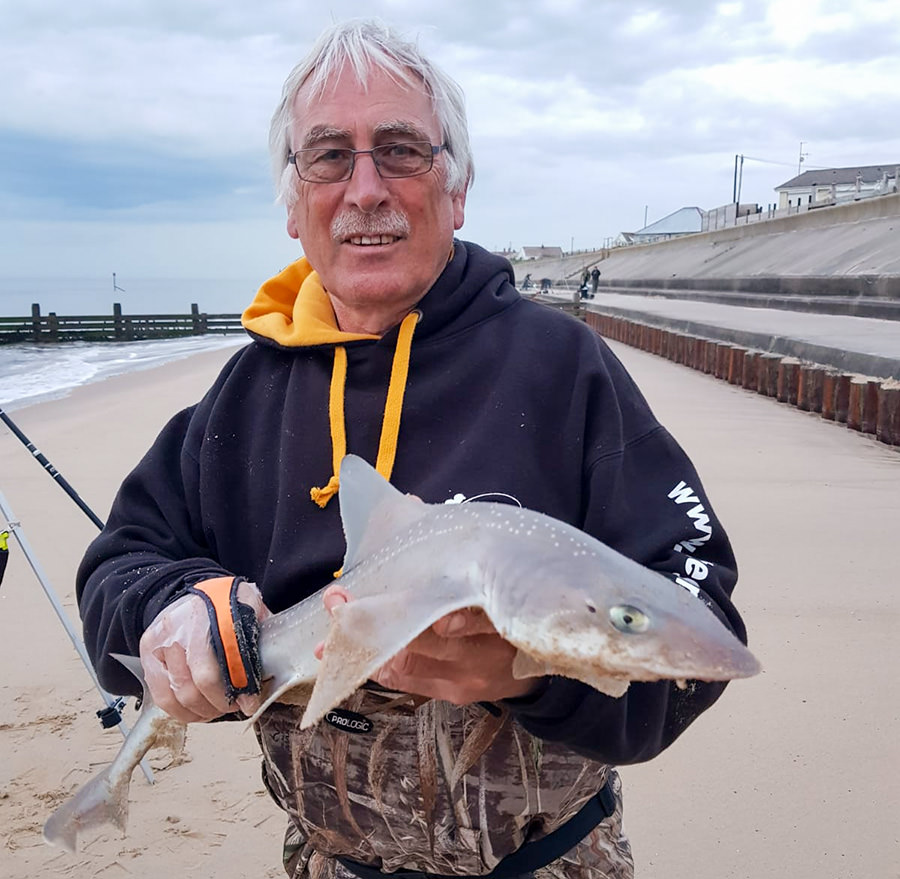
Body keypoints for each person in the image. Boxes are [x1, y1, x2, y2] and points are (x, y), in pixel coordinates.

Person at [77, 19, 748, 879]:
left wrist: (534, 674)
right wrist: (174, 607)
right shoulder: (241, 399)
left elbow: (700, 620)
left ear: (456, 190)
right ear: (294, 205)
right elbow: (117, 568)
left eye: (399, 150)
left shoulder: (563, 369)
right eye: (329, 157)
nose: (365, 189)